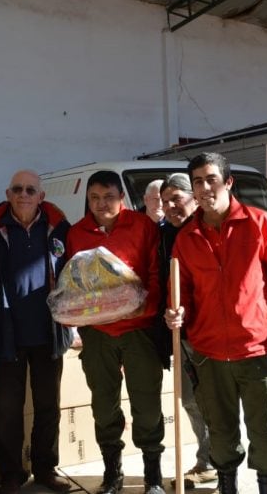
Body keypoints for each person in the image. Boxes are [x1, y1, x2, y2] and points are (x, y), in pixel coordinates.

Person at [164, 152, 267, 494]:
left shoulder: (262, 224)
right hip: (209, 353)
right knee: (220, 431)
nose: (205, 187)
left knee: (266, 430)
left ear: (228, 182)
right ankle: (227, 486)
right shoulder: (186, 239)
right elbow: (182, 294)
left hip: (258, 350)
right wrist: (177, 312)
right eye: (197, 181)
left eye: (211, 179)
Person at [66, 170, 165, 494]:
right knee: (103, 404)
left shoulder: (142, 226)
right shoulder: (77, 233)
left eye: (108, 197)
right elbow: (74, 283)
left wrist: (144, 310)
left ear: (121, 197)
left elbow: (155, 274)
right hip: (98, 335)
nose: (101, 204)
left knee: (147, 403)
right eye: (94, 198)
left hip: (138, 330)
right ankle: (113, 473)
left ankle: (152, 475)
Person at [0, 170, 73, 494]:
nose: (24, 194)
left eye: (30, 190)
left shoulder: (60, 228)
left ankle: (46, 468)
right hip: (7, 335)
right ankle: (11, 474)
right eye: (18, 189)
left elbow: (74, 275)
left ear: (41, 196)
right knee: (8, 411)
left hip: (49, 333)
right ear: (8, 194)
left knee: (48, 406)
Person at [157, 174, 217, 490]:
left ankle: (223, 462)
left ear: (193, 197)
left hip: (211, 333)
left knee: (216, 401)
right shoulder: (163, 234)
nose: (169, 206)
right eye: (165, 201)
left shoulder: (209, 229)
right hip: (180, 332)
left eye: (176, 198)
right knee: (190, 400)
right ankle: (207, 462)